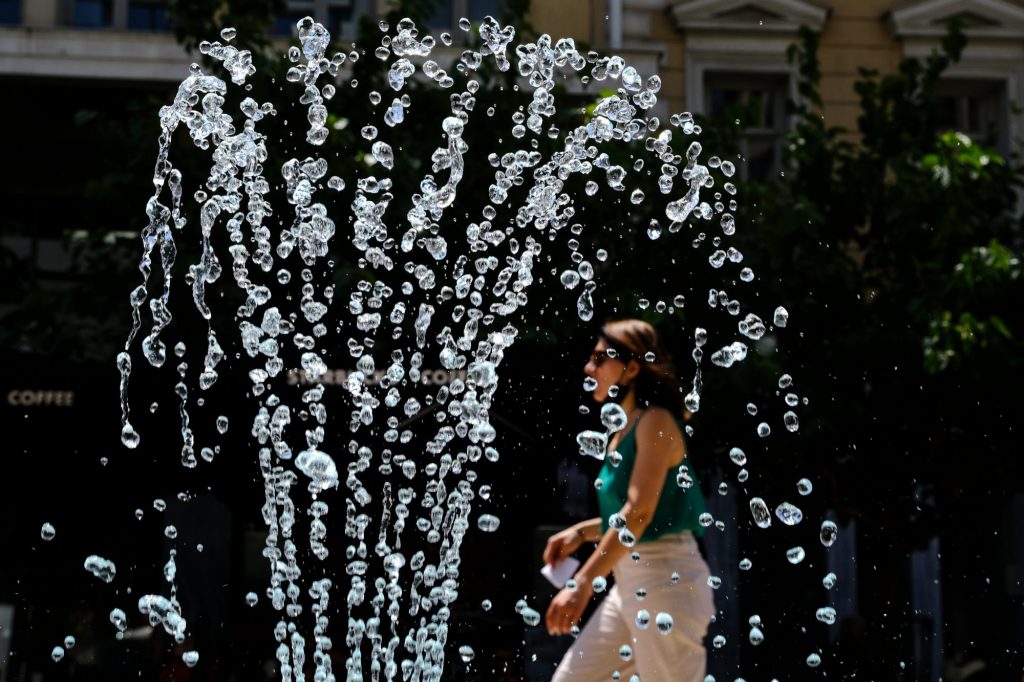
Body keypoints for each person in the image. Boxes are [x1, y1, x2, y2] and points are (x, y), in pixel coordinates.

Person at [543, 319, 715, 681]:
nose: (589, 368)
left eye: (599, 359)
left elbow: (638, 515)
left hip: (668, 581)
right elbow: (633, 514)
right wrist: (579, 532)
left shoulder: (656, 421)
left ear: (633, 367)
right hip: (630, 582)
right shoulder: (628, 426)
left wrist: (581, 583)